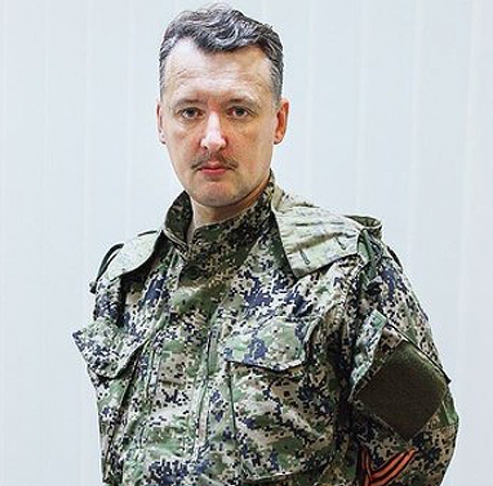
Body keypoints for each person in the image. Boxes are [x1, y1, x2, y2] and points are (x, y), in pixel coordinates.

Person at [73, 5, 458, 486]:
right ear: (161, 121)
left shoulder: (344, 271)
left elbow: (422, 447)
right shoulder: (129, 279)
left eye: (238, 111)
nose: (213, 138)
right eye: (190, 111)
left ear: (278, 121)